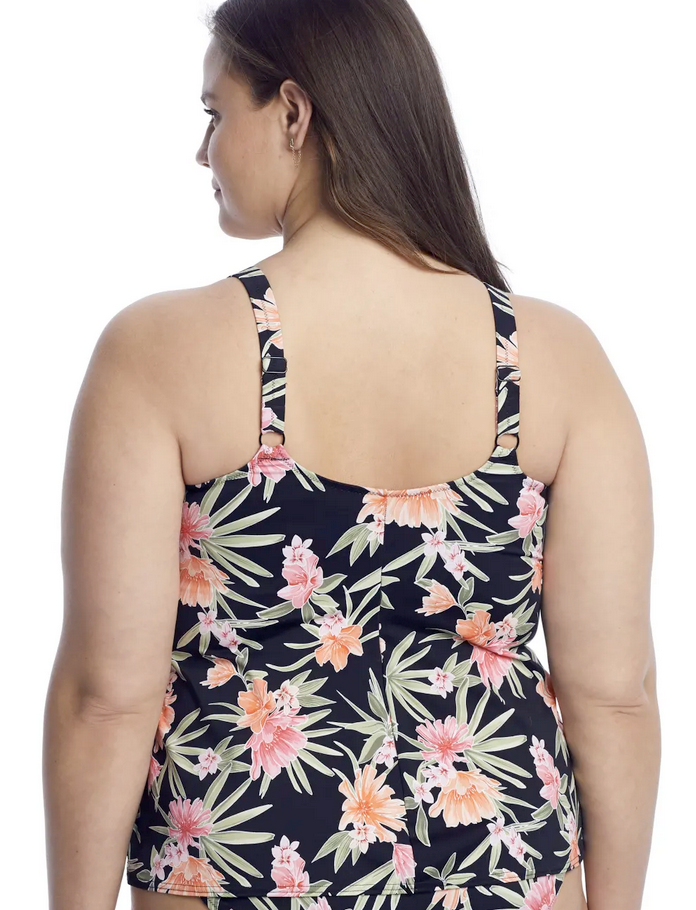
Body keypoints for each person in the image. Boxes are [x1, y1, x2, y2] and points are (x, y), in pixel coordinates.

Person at [43, 2, 660, 910]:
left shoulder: (160, 352)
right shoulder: (556, 358)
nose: (202, 151)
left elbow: (107, 698)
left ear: (293, 113)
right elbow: (615, 694)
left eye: (215, 113)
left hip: (239, 870)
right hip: (506, 868)